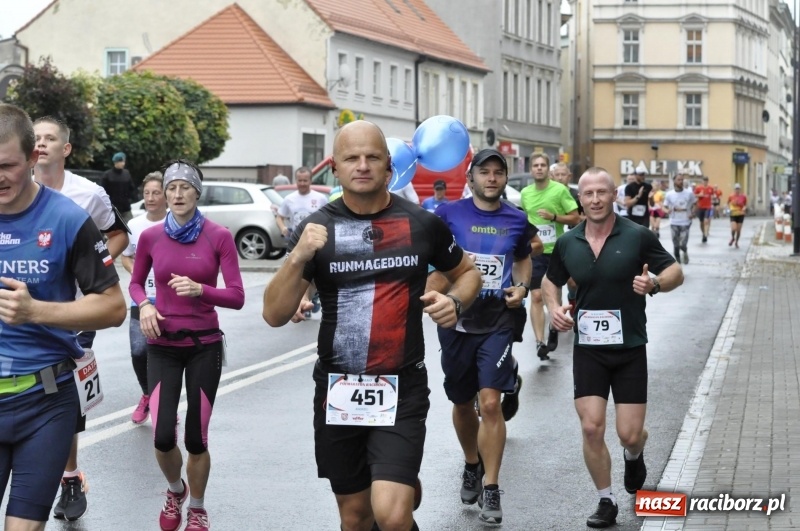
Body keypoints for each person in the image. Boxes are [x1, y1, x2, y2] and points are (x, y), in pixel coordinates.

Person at [262, 120, 482, 531]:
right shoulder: (316, 230)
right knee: (356, 516)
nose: (362, 165)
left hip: (402, 386)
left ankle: (395, 480)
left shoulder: (422, 224)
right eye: (351, 158)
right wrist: (296, 258)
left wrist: (454, 301)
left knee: (394, 514)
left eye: (373, 157)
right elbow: (274, 315)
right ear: (336, 169)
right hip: (338, 390)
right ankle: (393, 478)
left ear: (388, 167)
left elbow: (468, 272)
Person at [0, 103, 127, 531]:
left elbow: (112, 307)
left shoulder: (69, 217)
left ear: (34, 158)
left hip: (46, 401)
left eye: (7, 166)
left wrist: (37, 311)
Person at [542, 167, 684, 528]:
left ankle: (634, 455)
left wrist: (653, 283)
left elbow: (674, 272)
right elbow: (549, 280)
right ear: (580, 198)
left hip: (630, 348)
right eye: (587, 194)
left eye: (601, 192)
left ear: (614, 195)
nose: (594, 200)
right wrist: (554, 308)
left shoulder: (636, 236)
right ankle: (605, 501)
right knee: (591, 427)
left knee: (629, 434)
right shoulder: (568, 242)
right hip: (589, 348)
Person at [129, 160, 244, 531]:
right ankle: (175, 489)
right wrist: (144, 304)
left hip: (204, 345)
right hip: (162, 343)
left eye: (184, 188)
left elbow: (237, 296)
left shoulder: (218, 235)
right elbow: (134, 282)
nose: (177, 195)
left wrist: (201, 290)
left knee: (196, 437)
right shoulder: (150, 237)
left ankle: (196, 506)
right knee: (163, 437)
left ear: (197, 192)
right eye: (171, 188)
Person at [426, 149, 537, 524]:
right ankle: (471, 463)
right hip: (456, 322)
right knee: (461, 401)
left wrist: (522, 287)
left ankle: (491, 487)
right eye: (484, 172)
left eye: (498, 172)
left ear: (505, 179)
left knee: (490, 403)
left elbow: (523, 259)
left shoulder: (517, 220)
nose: (491, 178)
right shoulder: (447, 214)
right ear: (471, 178)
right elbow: (432, 259)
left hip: (498, 321)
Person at [33, 115, 130, 522]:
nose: (40, 144)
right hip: (24, 310)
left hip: (77, 310)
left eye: (49, 138)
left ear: (65, 148)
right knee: (31, 390)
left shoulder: (88, 194)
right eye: (35, 137)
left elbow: (118, 234)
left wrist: (91, 267)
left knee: (64, 392)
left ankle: (69, 476)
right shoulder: (15, 189)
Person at [520, 152, 580, 360]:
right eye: (535, 165)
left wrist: (554, 217)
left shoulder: (560, 190)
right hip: (535, 251)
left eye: (542, 165)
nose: (538, 168)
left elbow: (576, 217)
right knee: (536, 296)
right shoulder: (525, 193)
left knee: (557, 292)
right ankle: (540, 341)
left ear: (548, 170)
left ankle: (555, 325)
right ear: (531, 170)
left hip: (557, 251)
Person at [121, 171, 168, 424]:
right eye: (146, 193)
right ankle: (148, 394)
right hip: (141, 298)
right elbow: (125, 255)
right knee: (139, 351)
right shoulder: (135, 226)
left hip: (172, 300)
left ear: (166, 195)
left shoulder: (176, 222)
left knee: (167, 354)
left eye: (156, 193)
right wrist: (136, 271)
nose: (150, 198)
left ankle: (166, 401)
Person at [276, 166, 329, 240]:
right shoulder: (289, 199)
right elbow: (279, 217)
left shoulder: (321, 198)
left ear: (310, 181)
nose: (302, 183)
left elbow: (329, 218)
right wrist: (283, 228)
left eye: (305, 180)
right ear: (296, 181)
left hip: (315, 240)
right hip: (295, 240)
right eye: (300, 180)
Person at [662, 173, 696, 264]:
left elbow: (695, 204)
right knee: (676, 244)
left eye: (682, 180)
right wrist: (667, 211)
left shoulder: (689, 193)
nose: (681, 182)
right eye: (679, 180)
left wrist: (692, 213)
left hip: (685, 221)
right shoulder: (669, 194)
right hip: (674, 221)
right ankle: (678, 262)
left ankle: (684, 251)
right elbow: (664, 206)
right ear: (674, 181)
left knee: (683, 244)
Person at [101, 151, 137, 222]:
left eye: (123, 161)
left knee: (130, 226)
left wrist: (131, 199)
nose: (123, 163)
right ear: (115, 162)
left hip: (126, 208)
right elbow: (103, 192)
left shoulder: (126, 173)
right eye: (120, 161)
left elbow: (132, 189)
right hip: (112, 209)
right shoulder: (107, 175)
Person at [693, 176, 715, 243]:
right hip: (700, 207)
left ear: (708, 181)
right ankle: (703, 234)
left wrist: (713, 202)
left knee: (706, 221)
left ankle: (705, 235)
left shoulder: (710, 188)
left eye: (706, 181)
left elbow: (713, 196)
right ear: (702, 181)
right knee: (701, 222)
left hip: (708, 207)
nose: (705, 182)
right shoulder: (699, 188)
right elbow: (694, 195)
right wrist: (699, 195)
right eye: (704, 181)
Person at [728, 183, 748, 248]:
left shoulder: (743, 197)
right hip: (733, 214)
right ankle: (733, 238)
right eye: (736, 189)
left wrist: (744, 208)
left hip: (740, 214)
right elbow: (728, 203)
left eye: (738, 189)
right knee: (734, 228)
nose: (737, 190)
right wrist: (729, 208)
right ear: (734, 189)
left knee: (738, 230)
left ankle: (736, 241)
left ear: (740, 189)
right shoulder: (731, 196)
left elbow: (745, 205)